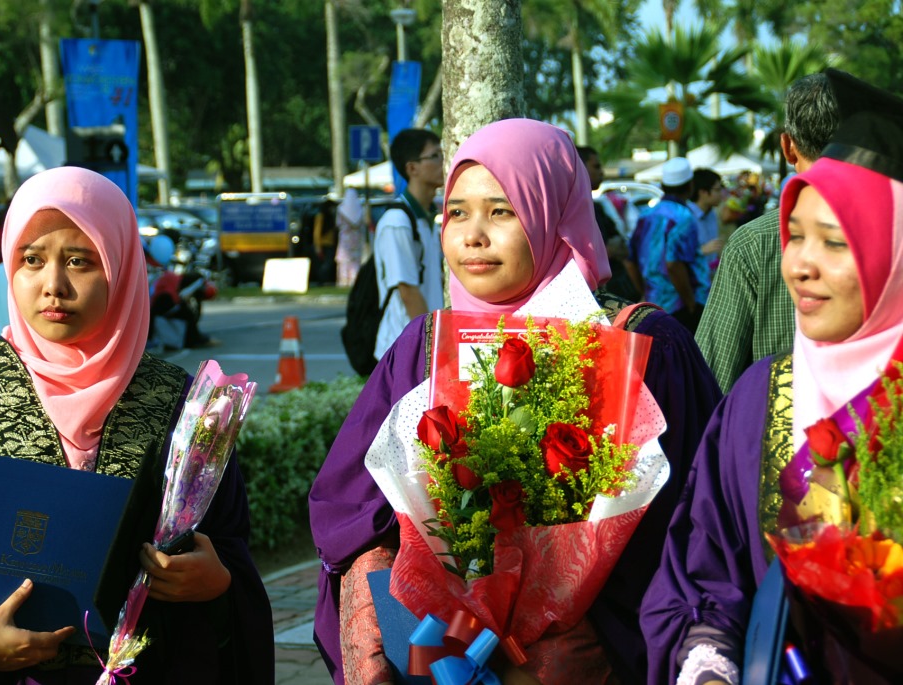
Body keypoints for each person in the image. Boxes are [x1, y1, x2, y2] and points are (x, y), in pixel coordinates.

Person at [309, 118, 721, 684]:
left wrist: (555, 640)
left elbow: (695, 522)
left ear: (555, 214)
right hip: (438, 653)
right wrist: (414, 615)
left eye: (501, 211)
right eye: (457, 212)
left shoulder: (641, 345)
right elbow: (349, 508)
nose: (473, 236)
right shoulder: (423, 348)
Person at [0, 167, 273, 684]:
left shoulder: (185, 406)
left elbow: (230, 550)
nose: (53, 286)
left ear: (121, 267)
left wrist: (216, 580)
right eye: (31, 260)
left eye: (79, 261)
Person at [640, 69, 903, 685]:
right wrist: (709, 662)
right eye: (794, 235)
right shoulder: (759, 398)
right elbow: (707, 566)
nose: (801, 266)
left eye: (835, 243)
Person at [695, 73, 838, 393]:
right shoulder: (891, 231)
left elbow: (711, 379)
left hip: (774, 421)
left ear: (787, 147)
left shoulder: (754, 243)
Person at [373, 128, 445, 361]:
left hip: (422, 345)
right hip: (406, 350)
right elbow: (408, 290)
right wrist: (431, 347)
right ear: (412, 168)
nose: (443, 162)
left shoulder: (426, 218)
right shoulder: (397, 222)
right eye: (435, 156)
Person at [629, 157, 710, 333]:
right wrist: (690, 303)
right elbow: (674, 264)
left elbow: (630, 258)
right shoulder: (684, 216)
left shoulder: (646, 214)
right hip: (681, 306)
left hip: (653, 304)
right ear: (690, 186)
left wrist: (644, 290)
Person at [577, 145, 641, 301]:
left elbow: (622, 247)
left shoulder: (597, 208)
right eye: (596, 166)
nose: (601, 172)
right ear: (579, 167)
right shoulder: (569, 211)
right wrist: (605, 251)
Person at [689, 168, 725, 285]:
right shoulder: (686, 216)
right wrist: (702, 250)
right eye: (717, 190)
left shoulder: (711, 214)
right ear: (703, 192)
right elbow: (673, 258)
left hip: (709, 280)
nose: (721, 194)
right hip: (693, 282)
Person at [335, 188, 365, 287]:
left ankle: (343, 282)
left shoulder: (341, 209)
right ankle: (354, 280)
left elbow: (338, 223)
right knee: (355, 262)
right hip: (357, 239)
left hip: (345, 239)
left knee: (344, 262)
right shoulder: (361, 209)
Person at [313, 197, 339, 285]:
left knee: (328, 264)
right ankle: (321, 281)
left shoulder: (331, 217)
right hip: (323, 244)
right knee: (326, 264)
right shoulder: (321, 216)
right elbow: (317, 232)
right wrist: (317, 246)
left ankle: (324, 281)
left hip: (330, 244)